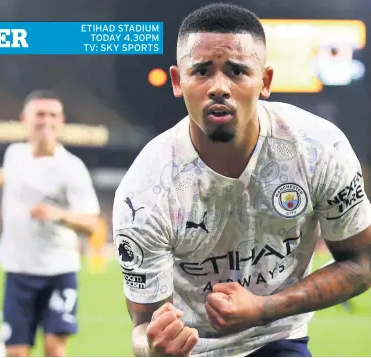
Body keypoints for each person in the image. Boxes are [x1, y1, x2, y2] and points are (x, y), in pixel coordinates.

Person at [112, 3, 371, 357]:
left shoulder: (317, 149)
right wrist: (153, 348)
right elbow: (143, 323)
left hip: (276, 337)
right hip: (190, 351)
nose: (219, 87)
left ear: (264, 82)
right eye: (201, 71)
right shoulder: (145, 191)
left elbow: (362, 260)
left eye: (236, 71)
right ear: (177, 81)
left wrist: (265, 308)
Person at [0, 90, 101, 357]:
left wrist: (59, 215)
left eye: (52, 115)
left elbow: (92, 223)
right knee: (15, 352)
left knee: (54, 351)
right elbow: (10, 177)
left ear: (61, 121)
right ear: (25, 118)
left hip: (58, 272)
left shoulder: (72, 167)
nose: (45, 121)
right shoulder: (14, 155)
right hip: (18, 271)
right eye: (40, 114)